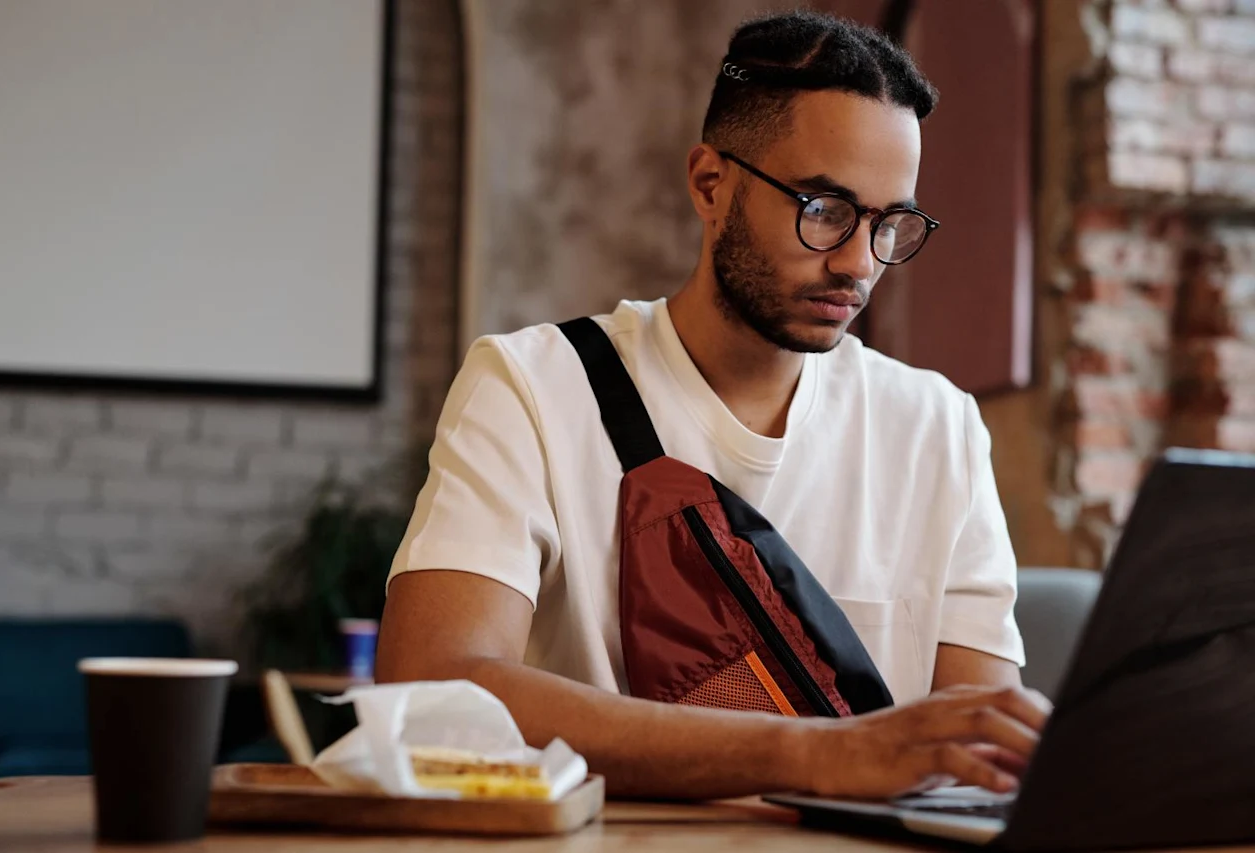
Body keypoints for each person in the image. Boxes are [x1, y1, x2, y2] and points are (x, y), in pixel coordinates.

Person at [377, 10, 1051, 800]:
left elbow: (977, 744)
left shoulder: (938, 428)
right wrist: (813, 754)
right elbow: (432, 687)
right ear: (710, 183)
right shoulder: (532, 385)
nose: (859, 263)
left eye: (889, 222)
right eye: (825, 209)